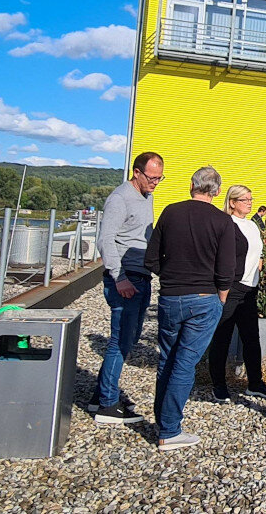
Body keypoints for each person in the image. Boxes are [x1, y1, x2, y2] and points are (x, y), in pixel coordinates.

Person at [143, 166, 235, 451]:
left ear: (191, 185)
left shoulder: (171, 212)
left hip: (171, 295)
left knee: (167, 359)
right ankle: (170, 430)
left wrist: (171, 275)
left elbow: (151, 258)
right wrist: (221, 298)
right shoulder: (222, 221)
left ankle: (163, 423)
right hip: (204, 296)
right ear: (217, 191)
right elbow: (226, 269)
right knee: (184, 363)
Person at [93, 151, 163, 424]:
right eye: (152, 177)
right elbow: (105, 240)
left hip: (141, 276)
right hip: (126, 278)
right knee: (120, 341)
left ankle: (100, 395)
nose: (155, 183)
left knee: (129, 339)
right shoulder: (120, 198)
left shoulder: (147, 196)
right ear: (137, 172)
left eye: (159, 178)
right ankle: (107, 406)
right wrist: (119, 277)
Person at [207, 185, 266, 403]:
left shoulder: (253, 225)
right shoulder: (226, 223)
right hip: (231, 287)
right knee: (222, 337)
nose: (249, 203)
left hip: (250, 289)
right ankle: (218, 384)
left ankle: (255, 382)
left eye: (250, 199)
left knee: (251, 337)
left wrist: (259, 267)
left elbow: (258, 252)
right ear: (232, 202)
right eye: (244, 199)